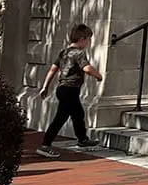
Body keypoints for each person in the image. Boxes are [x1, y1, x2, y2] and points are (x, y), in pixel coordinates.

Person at [36, 24, 101, 156]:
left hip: (62, 89)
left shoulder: (63, 53)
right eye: (88, 40)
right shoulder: (79, 53)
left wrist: (45, 86)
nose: (88, 43)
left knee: (78, 114)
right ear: (81, 39)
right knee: (60, 118)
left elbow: (53, 70)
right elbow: (86, 68)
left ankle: (82, 139)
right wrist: (98, 75)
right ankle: (45, 145)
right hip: (70, 90)